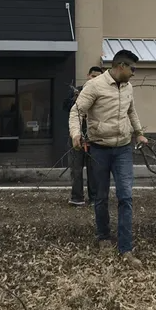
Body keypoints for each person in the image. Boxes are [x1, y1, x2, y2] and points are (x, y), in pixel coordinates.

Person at [69, 49, 148, 268]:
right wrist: (76, 135)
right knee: (101, 197)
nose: (134, 74)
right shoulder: (95, 86)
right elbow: (76, 112)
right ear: (121, 66)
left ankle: (126, 249)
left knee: (126, 197)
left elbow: (131, 111)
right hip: (99, 150)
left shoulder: (128, 87)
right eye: (132, 69)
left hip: (123, 149)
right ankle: (103, 236)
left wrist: (139, 132)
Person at [63, 66, 103, 206]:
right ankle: (77, 198)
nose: (95, 78)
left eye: (98, 76)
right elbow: (66, 107)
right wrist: (76, 98)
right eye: (93, 76)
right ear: (88, 76)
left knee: (94, 170)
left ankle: (94, 198)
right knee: (76, 168)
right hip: (76, 136)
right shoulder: (77, 91)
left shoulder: (102, 93)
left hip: (94, 136)